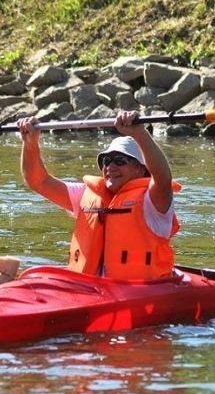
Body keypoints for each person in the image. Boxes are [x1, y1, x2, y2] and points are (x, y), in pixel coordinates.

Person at [14, 111, 180, 281]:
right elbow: (38, 182)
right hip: (88, 289)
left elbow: (162, 178)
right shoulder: (86, 195)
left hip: (140, 292)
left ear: (141, 169)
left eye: (120, 160)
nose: (110, 167)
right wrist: (30, 144)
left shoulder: (152, 202)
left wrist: (140, 133)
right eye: (106, 161)